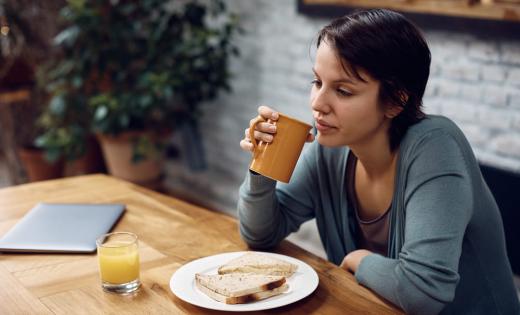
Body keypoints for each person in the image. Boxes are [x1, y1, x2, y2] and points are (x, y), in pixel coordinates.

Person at [237, 8, 519, 315]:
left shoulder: (436, 146)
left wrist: (361, 261)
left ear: (396, 101)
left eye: (343, 91)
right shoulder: (330, 148)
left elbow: (423, 291)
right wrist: (262, 165)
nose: (318, 104)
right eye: (317, 82)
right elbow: (261, 233)